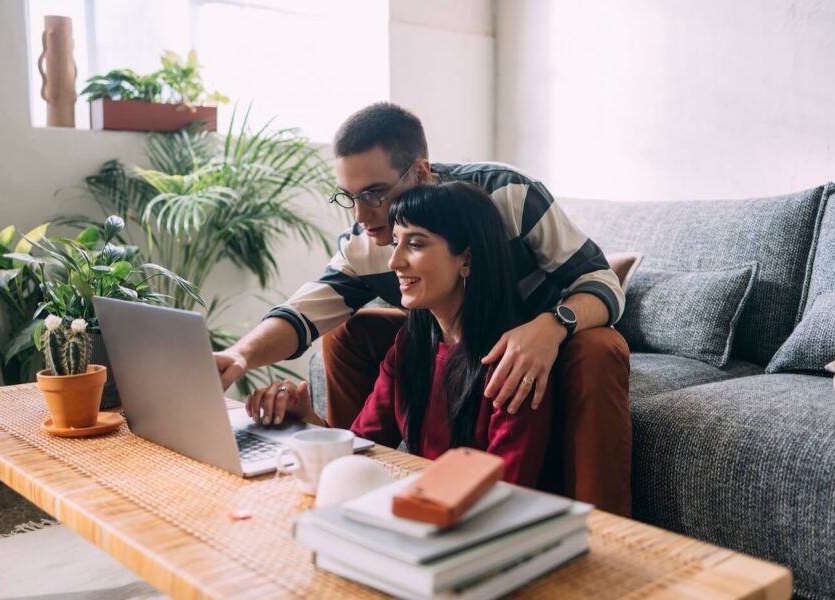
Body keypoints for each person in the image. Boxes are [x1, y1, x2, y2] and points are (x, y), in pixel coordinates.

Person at [215, 103, 631, 515]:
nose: (362, 215)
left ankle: (609, 530)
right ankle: (345, 486)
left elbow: (600, 280)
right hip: (447, 328)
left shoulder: (509, 195)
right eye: (350, 198)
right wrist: (241, 357)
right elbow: (305, 311)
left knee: (598, 349)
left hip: (538, 335)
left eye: (375, 193)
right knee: (349, 331)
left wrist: (550, 327)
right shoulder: (370, 240)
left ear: (419, 171)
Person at [248, 183, 553, 487]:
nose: (394, 262)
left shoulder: (515, 363)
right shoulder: (411, 345)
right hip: (422, 507)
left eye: (416, 244)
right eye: (395, 243)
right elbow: (360, 447)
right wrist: (303, 417)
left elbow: (508, 491)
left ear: (467, 259)